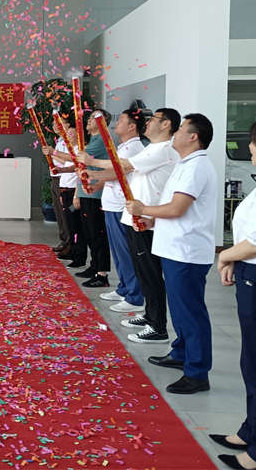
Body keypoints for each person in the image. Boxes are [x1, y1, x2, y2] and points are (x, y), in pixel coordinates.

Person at [126, 113, 216, 395]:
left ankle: (197, 372)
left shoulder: (196, 166)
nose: (175, 134)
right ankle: (181, 353)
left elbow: (178, 208)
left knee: (190, 311)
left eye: (181, 130)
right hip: (174, 247)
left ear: (193, 137)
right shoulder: (184, 163)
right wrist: (152, 220)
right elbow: (171, 205)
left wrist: (143, 209)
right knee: (179, 309)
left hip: (186, 251)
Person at [212, 113, 256, 470]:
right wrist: (233, 260)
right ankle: (252, 430)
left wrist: (226, 256)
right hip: (253, 272)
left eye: (253, 141)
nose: (248, 148)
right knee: (253, 359)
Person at [86, 108, 181, 345]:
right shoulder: (151, 148)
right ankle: (150, 315)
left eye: (154, 119)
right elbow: (126, 170)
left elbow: (125, 166)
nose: (147, 122)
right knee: (142, 271)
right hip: (137, 217)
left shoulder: (164, 149)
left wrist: (91, 163)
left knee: (150, 274)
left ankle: (158, 326)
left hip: (147, 220)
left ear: (166, 124)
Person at [79, 107, 145, 312]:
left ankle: (134, 295)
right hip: (111, 204)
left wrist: (92, 171)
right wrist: (97, 182)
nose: (117, 123)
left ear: (132, 126)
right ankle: (124, 288)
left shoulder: (134, 148)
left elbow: (119, 171)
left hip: (120, 205)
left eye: (122, 120)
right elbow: (115, 173)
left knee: (125, 253)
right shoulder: (123, 146)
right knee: (118, 253)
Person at [45, 109, 112, 287]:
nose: (89, 120)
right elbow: (78, 165)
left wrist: (53, 152)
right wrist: (62, 169)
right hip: (85, 192)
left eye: (94, 118)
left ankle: (101, 273)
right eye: (90, 117)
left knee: (96, 235)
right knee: (89, 233)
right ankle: (94, 266)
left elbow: (77, 159)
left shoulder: (101, 141)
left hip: (94, 194)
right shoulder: (94, 140)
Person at [51, 123, 87, 267]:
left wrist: (76, 195)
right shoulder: (69, 150)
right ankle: (72, 250)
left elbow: (78, 172)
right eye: (68, 134)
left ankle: (79, 255)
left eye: (72, 134)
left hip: (73, 192)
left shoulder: (80, 151)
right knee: (70, 223)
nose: (68, 136)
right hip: (65, 190)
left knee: (76, 224)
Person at [50, 118, 72, 256]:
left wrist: (52, 154)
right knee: (59, 212)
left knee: (65, 213)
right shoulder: (59, 141)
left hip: (64, 179)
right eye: (53, 124)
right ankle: (64, 240)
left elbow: (67, 161)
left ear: (68, 124)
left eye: (59, 123)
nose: (55, 126)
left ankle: (69, 243)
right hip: (56, 178)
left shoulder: (68, 141)